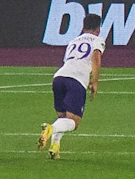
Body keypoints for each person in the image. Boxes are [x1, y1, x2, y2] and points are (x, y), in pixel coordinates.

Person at [39, 13, 105, 159]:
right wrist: (95, 81)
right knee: (74, 122)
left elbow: (70, 61)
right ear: (98, 29)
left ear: (83, 26)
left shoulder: (73, 41)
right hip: (75, 81)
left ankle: (55, 147)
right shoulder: (98, 40)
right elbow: (95, 57)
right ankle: (50, 129)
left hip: (59, 78)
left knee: (63, 117)